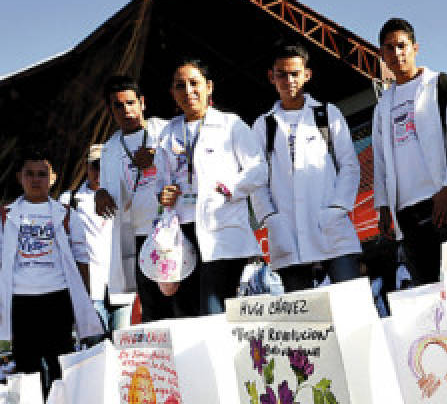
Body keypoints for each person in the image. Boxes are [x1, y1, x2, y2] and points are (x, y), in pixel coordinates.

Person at [371, 18, 447, 286]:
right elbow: (380, 161)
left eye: (402, 45)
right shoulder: (382, 107)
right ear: (382, 55)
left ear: (415, 48)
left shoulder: (442, 85)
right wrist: (383, 209)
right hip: (407, 212)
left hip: (444, 204)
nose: (397, 53)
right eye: (389, 48)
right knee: (429, 295)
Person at [154, 58, 270, 315]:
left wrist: (229, 188)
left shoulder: (231, 125)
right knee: (188, 312)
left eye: (194, 83)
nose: (188, 91)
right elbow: (160, 180)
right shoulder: (167, 133)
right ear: (172, 93)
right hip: (183, 233)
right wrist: (162, 193)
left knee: (213, 309)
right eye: (179, 86)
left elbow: (259, 169)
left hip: (222, 231)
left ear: (209, 87)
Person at [0, 151, 102, 394]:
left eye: (42, 174)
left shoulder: (66, 214)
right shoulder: (5, 215)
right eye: (30, 174)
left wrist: (84, 297)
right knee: (27, 366)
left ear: (53, 178)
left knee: (61, 364)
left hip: (58, 297)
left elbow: (81, 256)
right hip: (21, 300)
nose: (36, 179)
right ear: (20, 178)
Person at [250, 42, 364, 293]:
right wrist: (271, 220)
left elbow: (349, 166)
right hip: (287, 234)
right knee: (305, 322)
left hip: (331, 229)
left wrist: (336, 209)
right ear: (272, 76)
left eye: (295, 73)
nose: (289, 80)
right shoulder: (263, 125)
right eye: (281, 74)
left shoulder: (326, 114)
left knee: (352, 302)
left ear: (307, 75)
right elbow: (256, 180)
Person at [95, 75, 171, 322]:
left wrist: (156, 158)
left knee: (178, 302)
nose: (126, 110)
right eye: (118, 105)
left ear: (142, 103)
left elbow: (185, 169)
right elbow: (109, 192)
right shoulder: (109, 149)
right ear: (110, 110)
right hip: (137, 237)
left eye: (130, 103)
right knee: (151, 306)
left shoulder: (165, 130)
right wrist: (101, 194)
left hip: (170, 231)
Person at [60, 144, 115, 334]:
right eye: (95, 166)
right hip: (90, 283)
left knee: (122, 341)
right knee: (95, 343)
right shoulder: (71, 200)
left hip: (120, 281)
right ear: (86, 167)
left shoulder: (122, 192)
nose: (99, 172)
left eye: (104, 165)